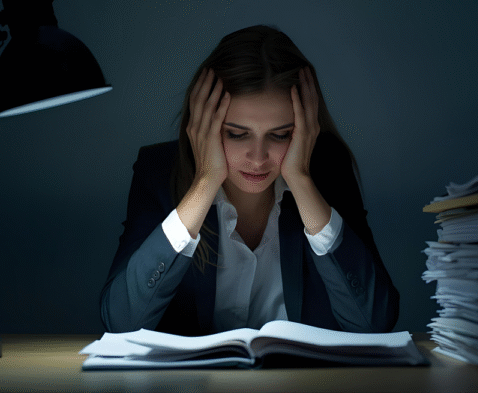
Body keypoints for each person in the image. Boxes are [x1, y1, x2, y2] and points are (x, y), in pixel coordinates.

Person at [100, 25, 399, 335]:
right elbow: (123, 323)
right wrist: (204, 183)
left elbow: (373, 323)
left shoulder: (326, 172)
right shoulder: (159, 173)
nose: (258, 158)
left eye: (280, 135)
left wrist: (300, 181)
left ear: (305, 129)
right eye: (237, 134)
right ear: (204, 124)